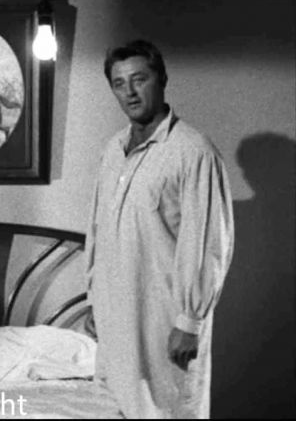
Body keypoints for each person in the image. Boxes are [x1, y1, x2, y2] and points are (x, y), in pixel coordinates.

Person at [84, 40, 234, 418]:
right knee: (115, 407)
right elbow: (99, 231)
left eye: (139, 79)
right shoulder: (112, 149)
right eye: (119, 83)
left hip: (165, 320)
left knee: (169, 409)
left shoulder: (193, 151)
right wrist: (96, 299)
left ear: (161, 79)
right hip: (115, 318)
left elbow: (208, 242)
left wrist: (190, 321)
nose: (130, 92)